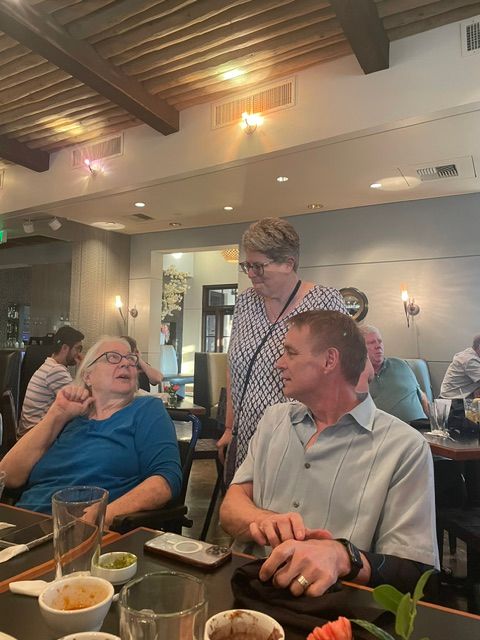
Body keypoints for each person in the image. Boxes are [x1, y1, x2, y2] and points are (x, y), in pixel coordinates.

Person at [220, 310, 438, 597]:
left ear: (329, 360)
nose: (279, 363)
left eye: (290, 353)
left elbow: (414, 572)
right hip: (245, 588)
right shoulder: (274, 420)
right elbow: (230, 508)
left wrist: (342, 556)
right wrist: (262, 520)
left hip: (332, 606)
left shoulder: (403, 447)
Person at [1, 337, 182, 527]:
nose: (126, 363)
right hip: (22, 524)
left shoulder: (146, 409)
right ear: (88, 376)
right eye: (113, 357)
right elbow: (8, 476)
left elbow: (165, 482)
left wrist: (105, 513)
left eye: (130, 359)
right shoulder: (71, 416)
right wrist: (57, 414)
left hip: (80, 530)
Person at [217, 217, 347, 482]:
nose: (251, 273)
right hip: (247, 438)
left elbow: (345, 375)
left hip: (302, 441)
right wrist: (230, 427)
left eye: (258, 266)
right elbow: (234, 369)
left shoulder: (325, 301)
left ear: (288, 263)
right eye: (247, 265)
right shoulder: (245, 302)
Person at [18, 326, 85, 436]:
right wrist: (84, 368)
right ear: (65, 348)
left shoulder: (49, 366)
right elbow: (81, 401)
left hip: (30, 433)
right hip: (35, 437)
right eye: (78, 348)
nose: (79, 354)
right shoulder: (56, 370)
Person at [359, 324, 428, 423]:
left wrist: (433, 422)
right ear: (359, 348)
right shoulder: (356, 376)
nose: (378, 346)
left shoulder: (400, 364)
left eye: (380, 341)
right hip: (387, 430)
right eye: (371, 343)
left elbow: (421, 395)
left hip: (422, 426)